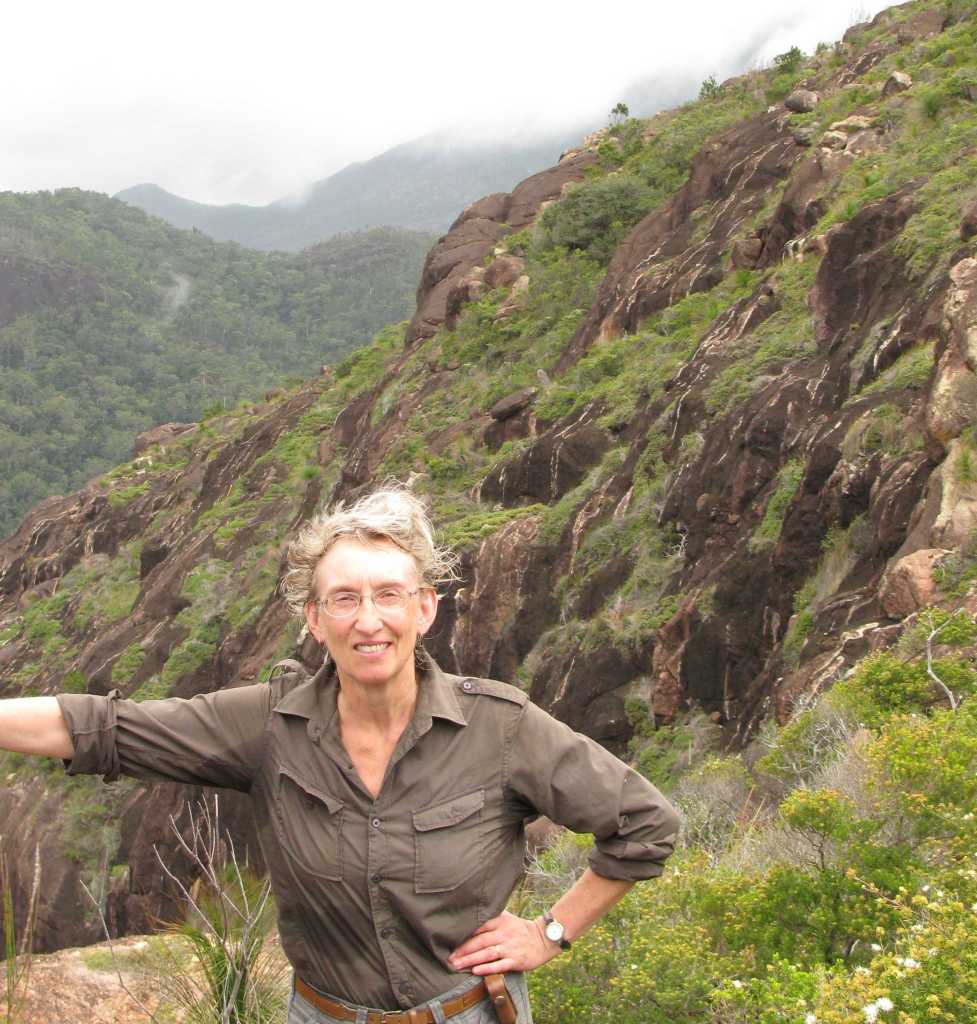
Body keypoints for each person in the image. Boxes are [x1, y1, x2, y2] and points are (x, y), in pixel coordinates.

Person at [0, 486, 681, 1024]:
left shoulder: (497, 726)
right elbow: (99, 728)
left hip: (468, 1014)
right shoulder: (268, 725)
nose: (367, 619)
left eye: (388, 595)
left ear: (424, 610)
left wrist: (551, 932)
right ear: (314, 619)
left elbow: (644, 823)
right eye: (344, 599)